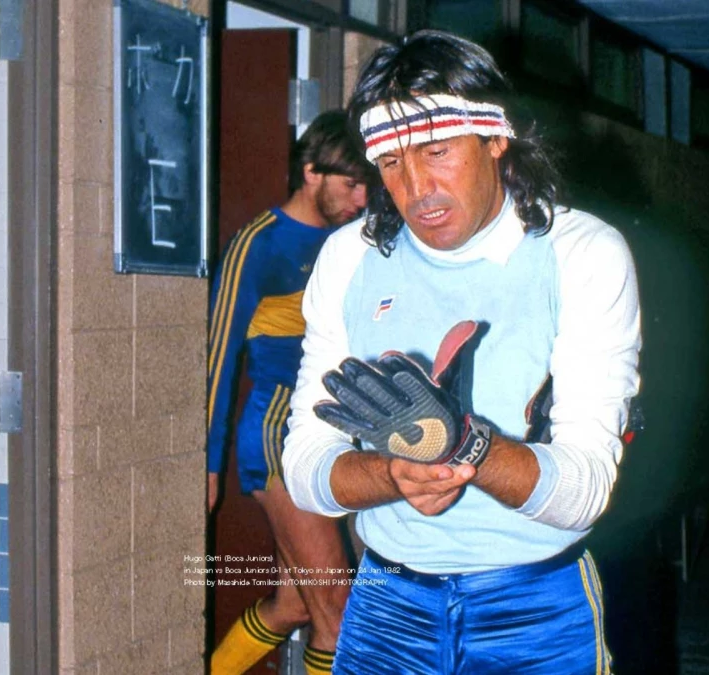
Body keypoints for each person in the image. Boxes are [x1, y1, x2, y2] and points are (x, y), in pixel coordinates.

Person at [281, 30, 642, 674]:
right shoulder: (349, 257)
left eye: (437, 151)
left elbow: (586, 491)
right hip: (387, 600)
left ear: (496, 137)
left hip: (534, 605)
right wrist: (395, 474)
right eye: (391, 162)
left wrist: (463, 448)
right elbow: (305, 468)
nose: (417, 186)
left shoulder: (582, 254)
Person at [206, 110, 376, 675]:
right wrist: (210, 465)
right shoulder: (259, 243)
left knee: (295, 605)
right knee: (339, 614)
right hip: (278, 433)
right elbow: (218, 358)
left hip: (330, 431)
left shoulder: (350, 241)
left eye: (367, 186)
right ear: (311, 172)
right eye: (351, 184)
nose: (361, 199)